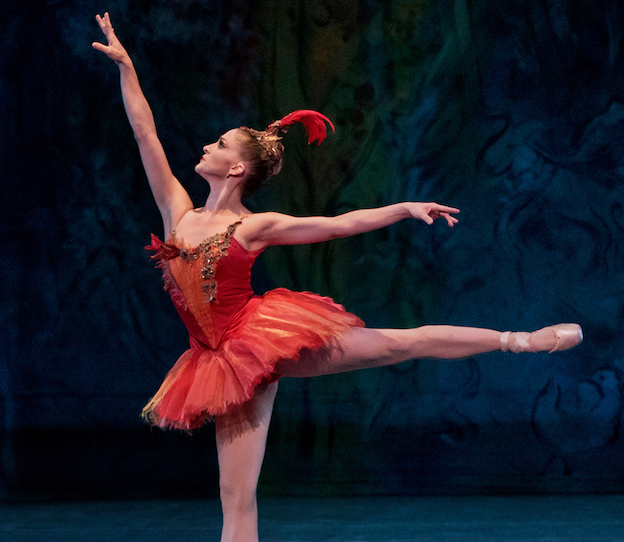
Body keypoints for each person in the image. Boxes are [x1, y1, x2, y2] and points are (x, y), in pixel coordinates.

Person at [92, 12, 582, 542]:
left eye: (219, 145)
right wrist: (127, 67)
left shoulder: (254, 226)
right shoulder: (178, 214)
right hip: (216, 360)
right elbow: (145, 132)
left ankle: (520, 341)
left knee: (398, 344)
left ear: (235, 169)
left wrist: (402, 207)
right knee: (235, 500)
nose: (207, 147)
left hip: (260, 339)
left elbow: (336, 225)